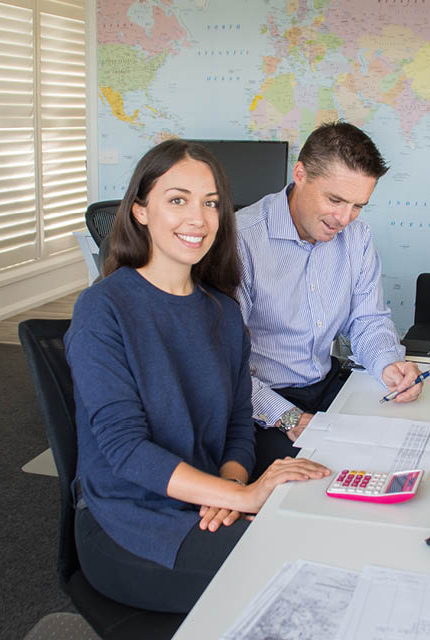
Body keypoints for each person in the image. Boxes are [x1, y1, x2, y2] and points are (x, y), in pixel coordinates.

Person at [65, 139, 330, 614]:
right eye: (177, 200)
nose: (199, 218)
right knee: (304, 579)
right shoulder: (103, 309)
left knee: (320, 535)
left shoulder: (222, 313)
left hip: (206, 505)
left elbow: (236, 427)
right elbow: (126, 451)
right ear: (141, 210)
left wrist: (230, 493)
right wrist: (243, 494)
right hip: (134, 524)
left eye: (211, 203)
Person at [235, 122, 424, 477]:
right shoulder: (240, 241)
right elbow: (223, 365)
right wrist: (285, 416)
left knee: (400, 454)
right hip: (262, 406)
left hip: (327, 386)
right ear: (300, 174)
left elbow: (368, 319)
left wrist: (387, 365)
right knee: (326, 484)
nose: (343, 218)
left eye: (357, 206)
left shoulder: (357, 235)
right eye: (335, 200)